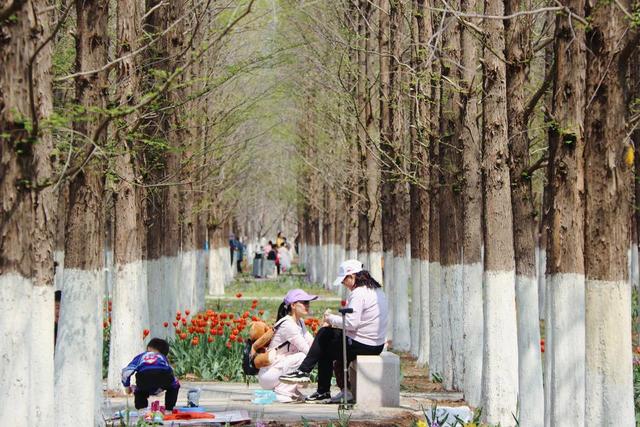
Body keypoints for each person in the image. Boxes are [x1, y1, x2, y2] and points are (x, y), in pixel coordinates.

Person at [280, 260, 388, 403]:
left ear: (352, 276)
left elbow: (351, 323)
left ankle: (307, 375)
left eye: (344, 280)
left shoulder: (358, 293)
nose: (343, 283)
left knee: (324, 334)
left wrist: (330, 318)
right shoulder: (377, 290)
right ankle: (323, 389)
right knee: (326, 343)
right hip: (376, 344)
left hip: (363, 344)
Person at [257, 289, 318, 403]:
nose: (307, 305)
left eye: (308, 302)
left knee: (305, 357)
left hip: (279, 369)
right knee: (303, 357)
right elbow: (307, 350)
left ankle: (291, 391)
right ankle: (282, 392)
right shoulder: (288, 324)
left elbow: (312, 343)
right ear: (293, 305)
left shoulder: (300, 322)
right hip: (268, 374)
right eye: (304, 302)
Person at [122, 338, 180, 412]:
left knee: (139, 389)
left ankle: (142, 408)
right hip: (163, 376)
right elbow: (169, 371)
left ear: (149, 348)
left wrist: (127, 386)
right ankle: (169, 409)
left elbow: (126, 371)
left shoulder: (141, 356)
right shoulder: (163, 357)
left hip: (144, 378)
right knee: (174, 385)